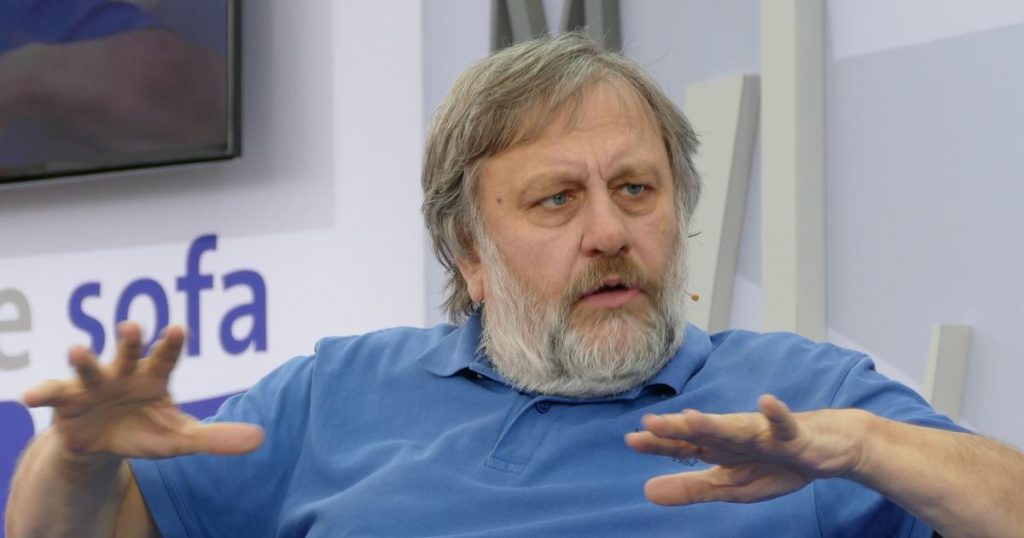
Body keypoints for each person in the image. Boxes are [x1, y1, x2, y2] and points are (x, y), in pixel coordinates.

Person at [6, 33, 1024, 537]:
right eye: (555, 200)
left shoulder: (799, 401)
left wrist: (867, 446)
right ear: (468, 251)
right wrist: (75, 458)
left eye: (636, 189)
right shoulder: (334, 396)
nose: (610, 231)